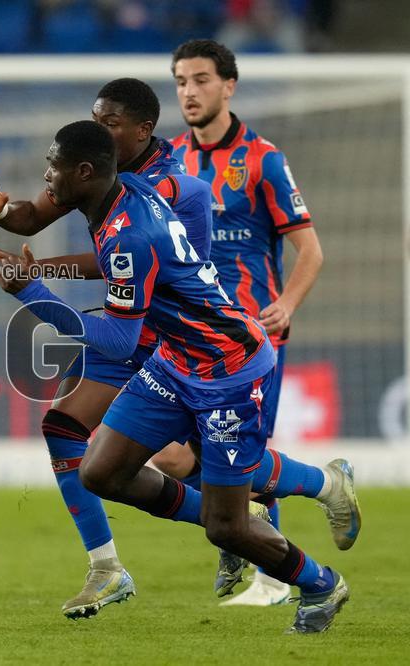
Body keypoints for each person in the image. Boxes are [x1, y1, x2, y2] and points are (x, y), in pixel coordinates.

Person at [0, 120, 348, 634]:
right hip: (176, 361)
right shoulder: (127, 192)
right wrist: (192, 257)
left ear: (85, 172)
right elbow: (196, 192)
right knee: (101, 471)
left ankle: (320, 582)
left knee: (225, 527)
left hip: (228, 371)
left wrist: (31, 293)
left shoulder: (128, 237)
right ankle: (270, 503)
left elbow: (118, 341)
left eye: (53, 166)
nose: (46, 175)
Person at [0, 78, 214, 620]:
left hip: (170, 332)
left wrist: (35, 281)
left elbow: (127, 262)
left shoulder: (168, 189)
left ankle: (297, 496)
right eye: (95, 119)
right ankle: (107, 567)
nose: (97, 129)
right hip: (127, 321)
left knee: (187, 455)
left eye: (109, 123)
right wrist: (2, 211)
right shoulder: (91, 170)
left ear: (142, 130)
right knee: (65, 429)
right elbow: (33, 217)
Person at [165, 38, 358, 605]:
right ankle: (315, 490)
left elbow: (310, 250)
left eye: (201, 79)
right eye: (181, 81)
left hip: (250, 337)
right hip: (189, 334)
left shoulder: (264, 159)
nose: (189, 91)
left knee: (238, 457)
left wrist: (288, 305)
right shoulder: (169, 159)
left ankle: (270, 573)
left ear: (229, 86)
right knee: (169, 455)